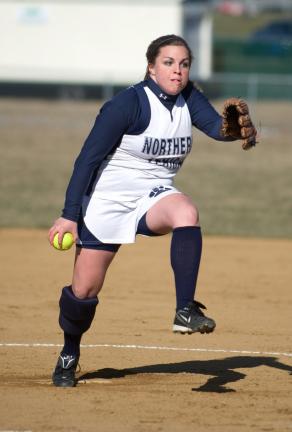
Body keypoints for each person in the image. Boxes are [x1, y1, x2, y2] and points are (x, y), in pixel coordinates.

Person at [48, 34, 257, 387]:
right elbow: (87, 160)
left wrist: (238, 130)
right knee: (83, 293)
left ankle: (185, 310)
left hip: (154, 193)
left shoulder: (189, 98)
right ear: (151, 67)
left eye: (184, 64)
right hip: (107, 200)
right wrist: (70, 213)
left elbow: (218, 130)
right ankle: (70, 350)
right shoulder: (126, 105)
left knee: (186, 212)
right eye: (168, 63)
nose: (177, 71)